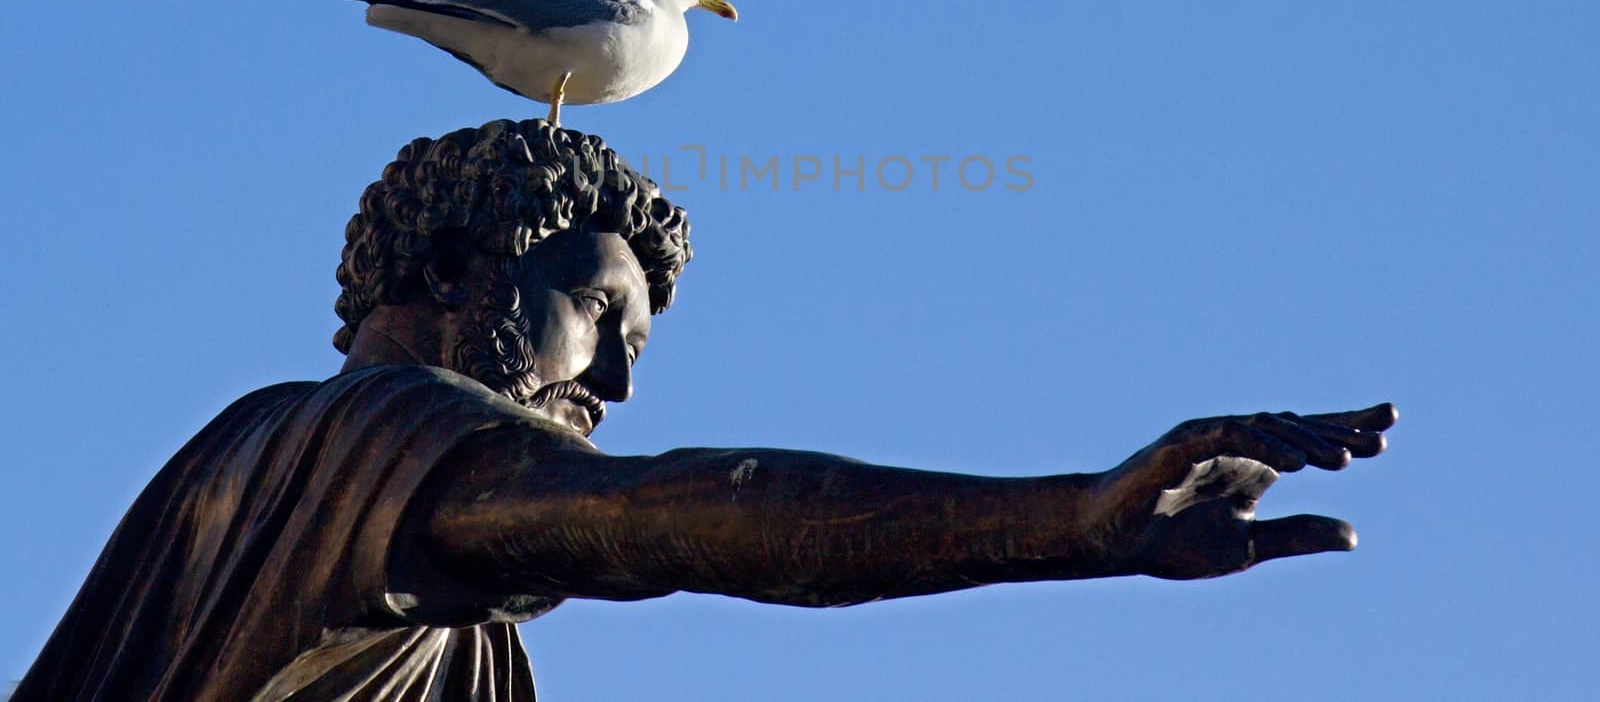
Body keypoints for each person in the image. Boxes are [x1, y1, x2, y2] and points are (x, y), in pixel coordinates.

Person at [14, 119, 1395, 701]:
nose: (615, 384)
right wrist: (1071, 523)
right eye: (598, 314)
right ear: (451, 274)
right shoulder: (362, 435)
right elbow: (672, 523)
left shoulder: (436, 609)